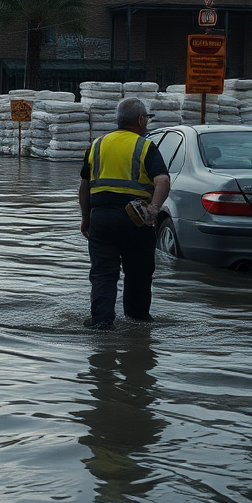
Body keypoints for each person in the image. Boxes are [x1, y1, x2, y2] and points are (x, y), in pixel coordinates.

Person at [78, 97, 171, 330]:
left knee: (102, 274)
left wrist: (85, 217)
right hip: (136, 219)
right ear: (140, 120)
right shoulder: (145, 145)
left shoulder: (97, 144)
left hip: (101, 218)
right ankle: (138, 324)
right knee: (138, 274)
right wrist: (153, 210)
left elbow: (84, 185)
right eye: (147, 119)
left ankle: (101, 323)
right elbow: (163, 181)